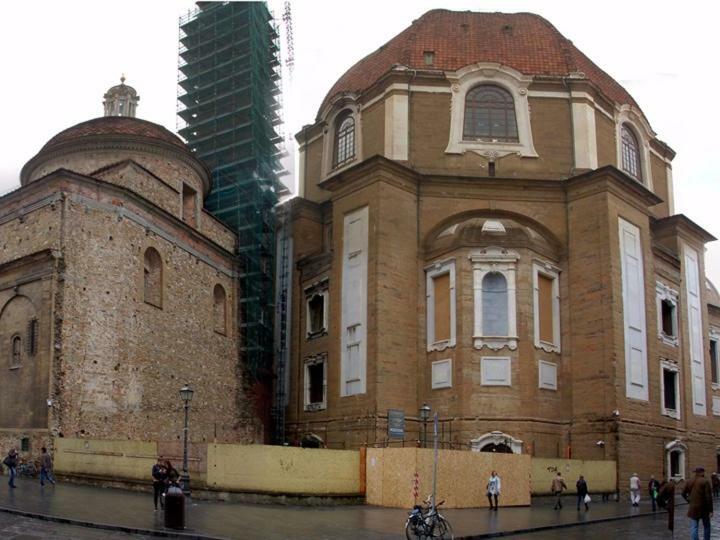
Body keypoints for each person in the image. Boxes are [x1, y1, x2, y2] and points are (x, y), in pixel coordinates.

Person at [682, 466, 713, 540]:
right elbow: (708, 497)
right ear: (702, 472)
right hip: (704, 508)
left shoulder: (689, 481)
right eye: (703, 472)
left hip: (693, 508)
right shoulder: (705, 481)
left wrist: (689, 500)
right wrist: (711, 510)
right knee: (706, 526)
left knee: (694, 526)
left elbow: (683, 493)